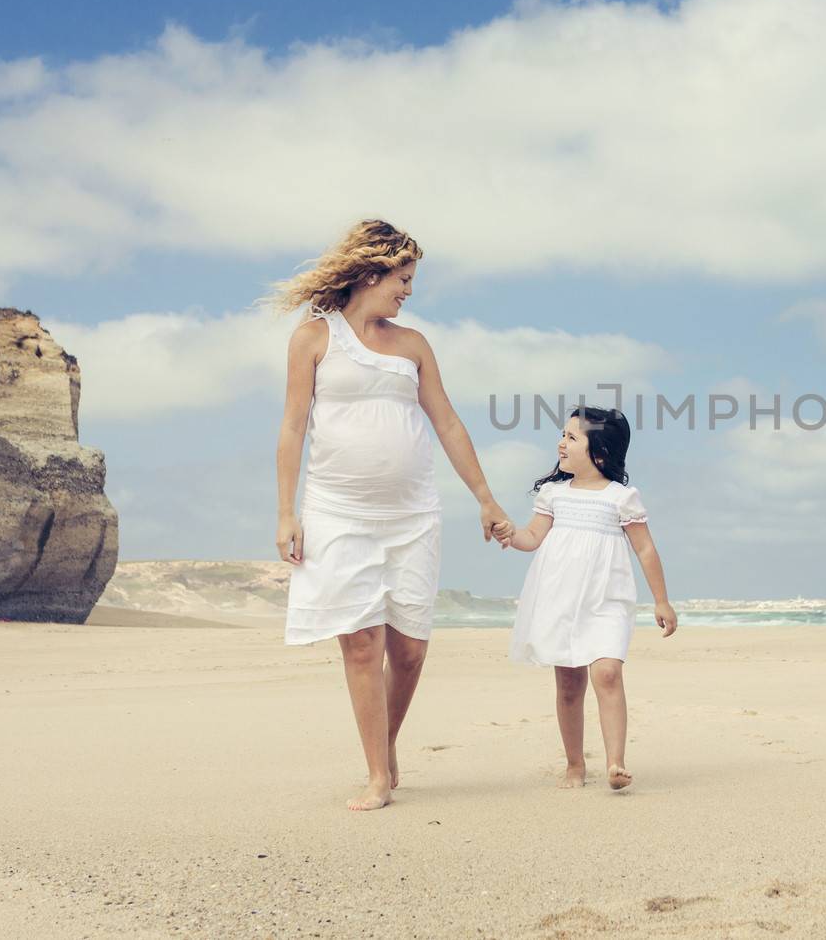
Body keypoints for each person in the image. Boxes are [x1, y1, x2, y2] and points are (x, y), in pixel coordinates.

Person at [269, 218, 515, 811]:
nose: (408, 291)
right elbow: (293, 427)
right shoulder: (313, 338)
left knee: (408, 650)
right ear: (371, 271)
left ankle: (386, 744)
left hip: (412, 516)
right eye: (403, 279)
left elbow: (448, 423)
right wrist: (285, 512)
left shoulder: (413, 345)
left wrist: (485, 496)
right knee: (360, 644)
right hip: (337, 512)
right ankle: (379, 775)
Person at [503, 406, 676, 791]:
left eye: (571, 437)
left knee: (608, 673)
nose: (561, 443)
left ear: (599, 453)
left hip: (606, 599)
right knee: (568, 685)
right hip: (560, 599)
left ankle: (616, 762)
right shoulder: (553, 494)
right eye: (563, 435)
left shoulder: (621, 498)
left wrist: (661, 601)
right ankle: (575, 764)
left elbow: (645, 550)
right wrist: (508, 533)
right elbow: (531, 538)